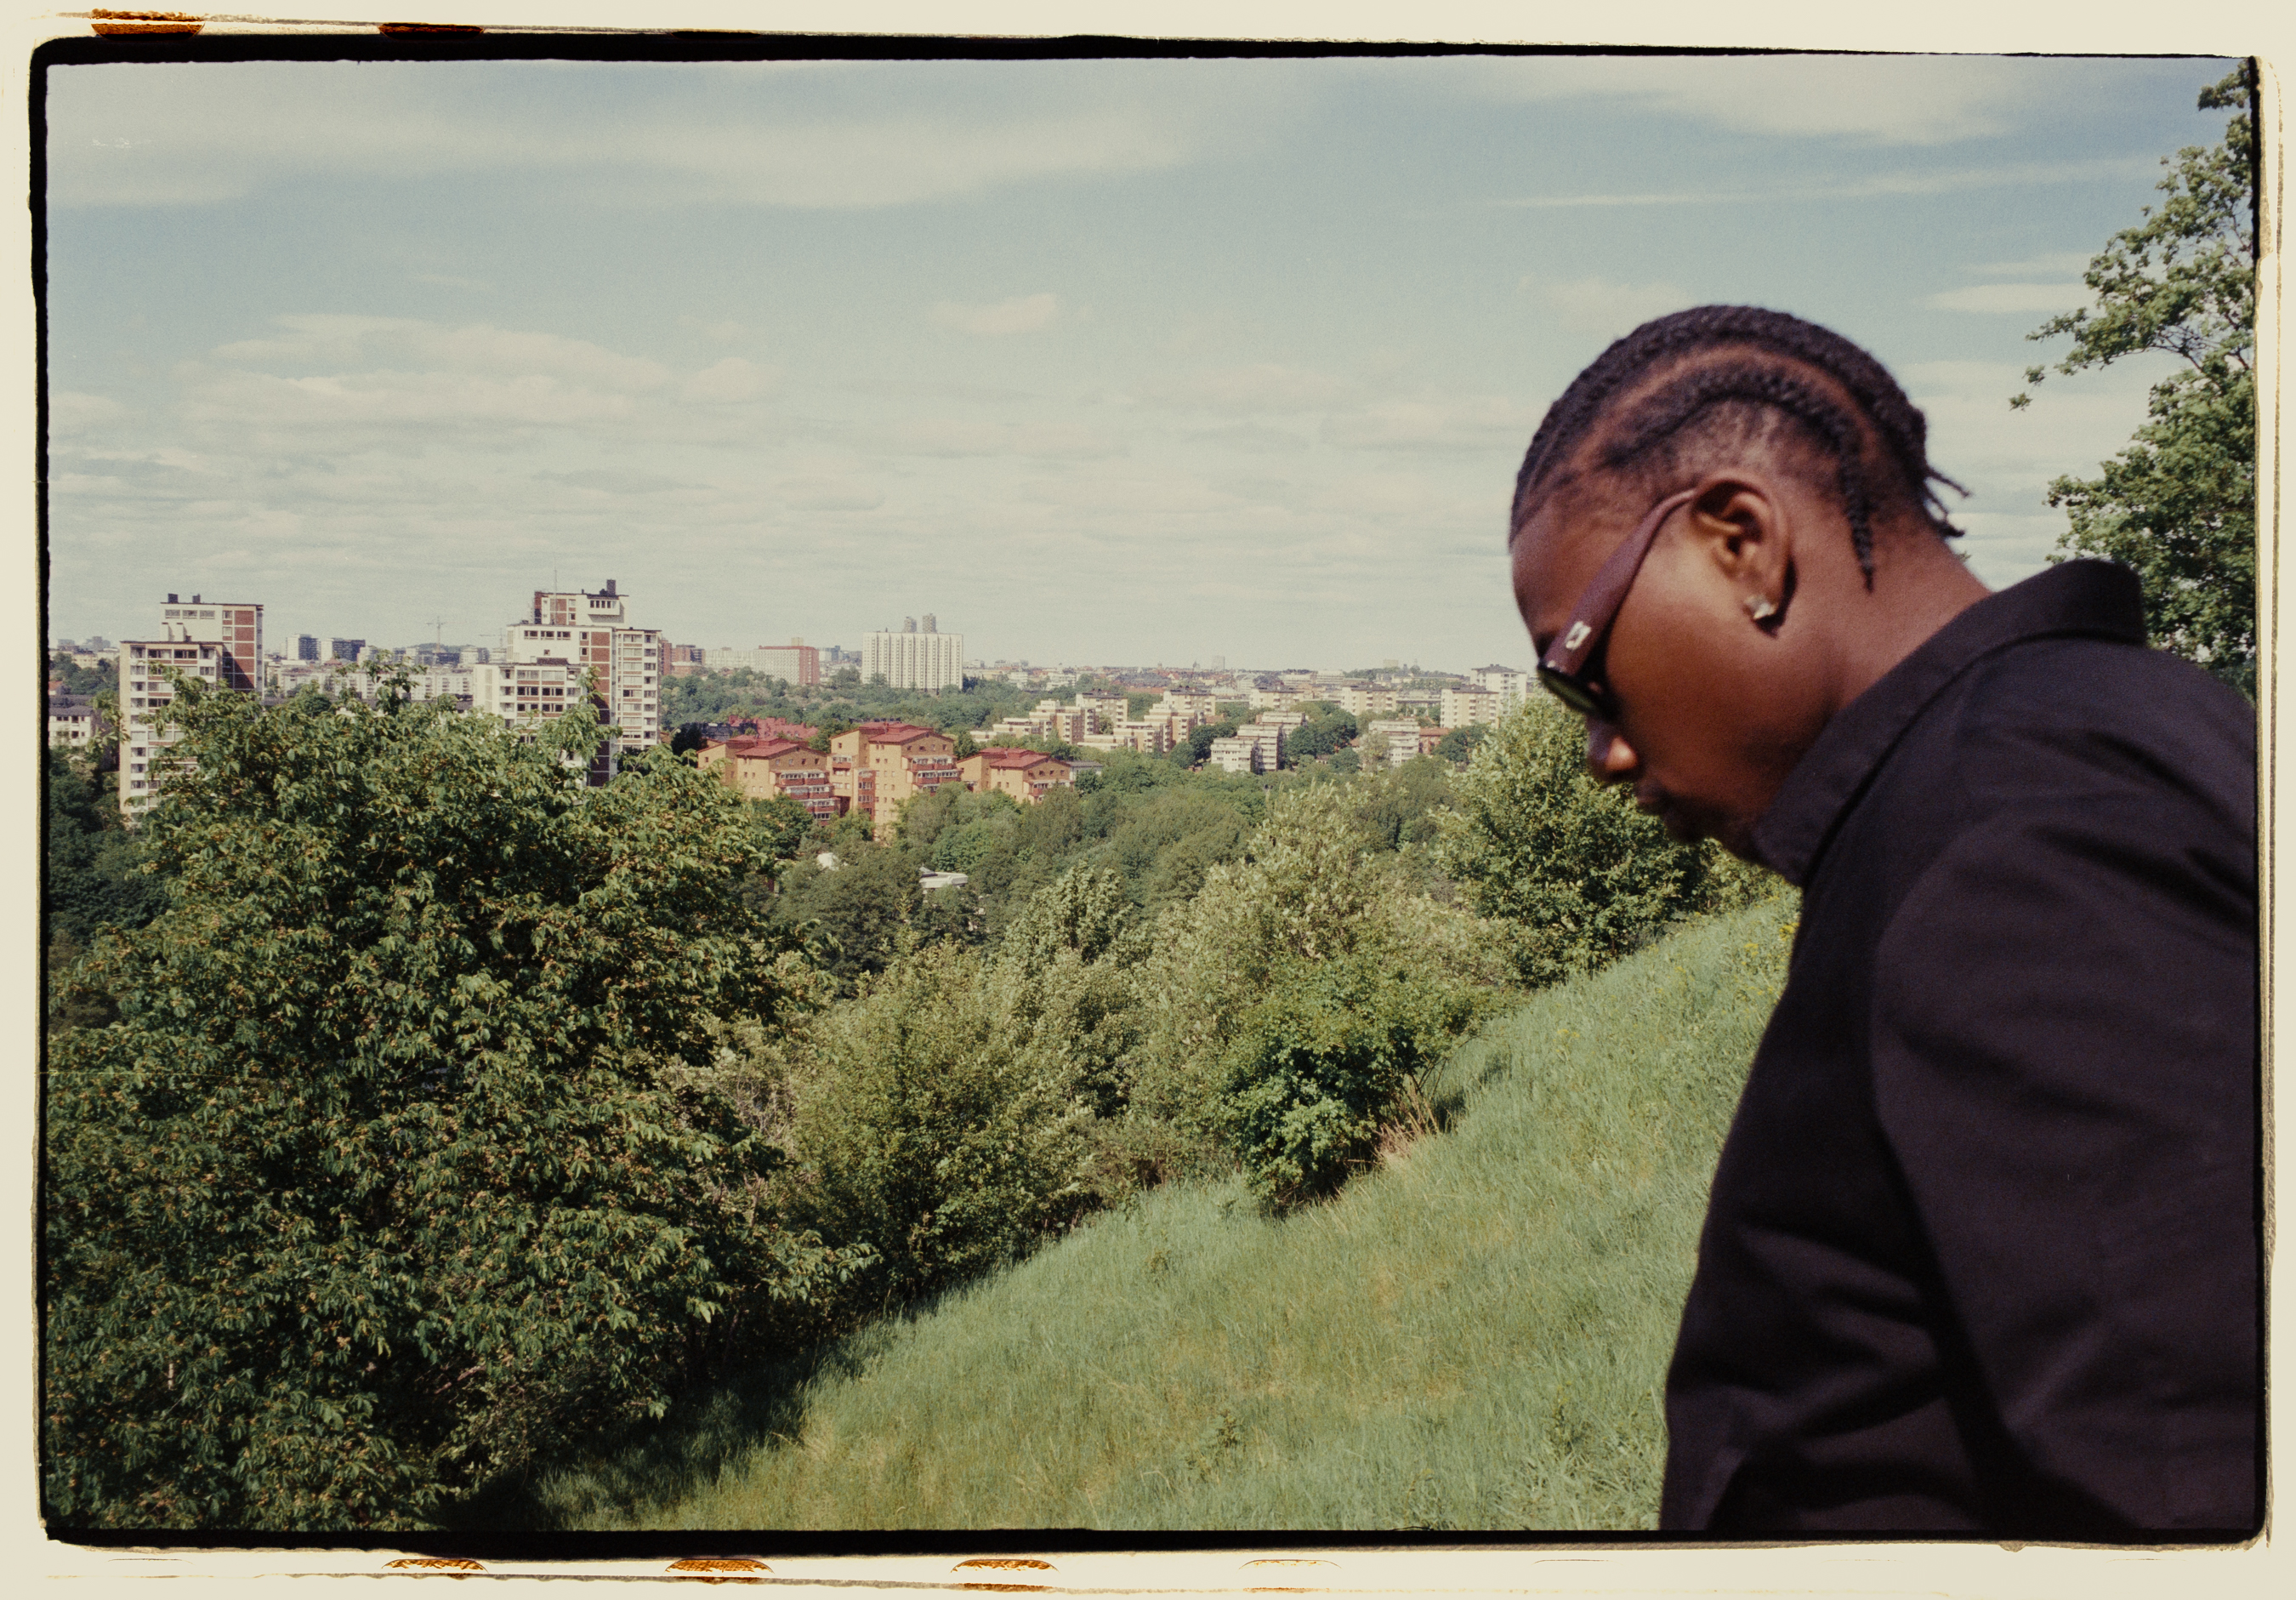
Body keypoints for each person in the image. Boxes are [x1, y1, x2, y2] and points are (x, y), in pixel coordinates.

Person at [1506, 305, 2258, 1535]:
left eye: (1579, 670)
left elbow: (2203, 1485)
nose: (1603, 751)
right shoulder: (2112, 728)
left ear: (1743, 543)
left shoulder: (2012, 847)